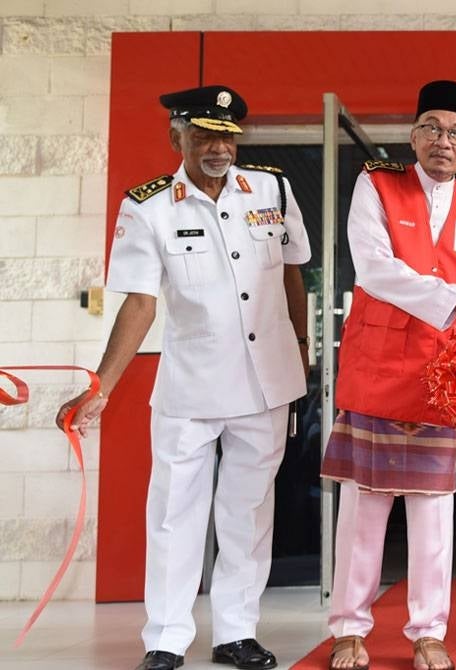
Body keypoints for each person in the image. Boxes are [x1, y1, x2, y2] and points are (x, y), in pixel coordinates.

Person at [54, 85, 311, 670]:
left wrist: (299, 346)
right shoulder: (148, 206)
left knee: (248, 512)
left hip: (267, 383)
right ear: (178, 138)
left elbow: (293, 274)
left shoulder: (272, 188)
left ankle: (236, 633)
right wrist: (102, 385)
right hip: (191, 389)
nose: (217, 147)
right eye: (202, 135)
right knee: (174, 513)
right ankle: (166, 639)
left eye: (226, 135)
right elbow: (140, 304)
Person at [320, 80, 456, 670]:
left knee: (434, 511)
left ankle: (429, 630)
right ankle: (349, 628)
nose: (441, 141)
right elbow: (373, 269)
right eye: (431, 127)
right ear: (413, 136)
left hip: (442, 380)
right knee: (362, 509)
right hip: (378, 371)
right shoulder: (376, 184)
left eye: (455, 132)